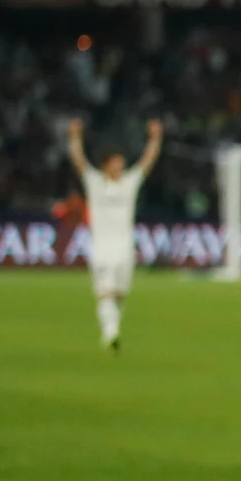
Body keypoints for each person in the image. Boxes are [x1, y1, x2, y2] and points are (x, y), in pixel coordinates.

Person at [67, 117, 162, 352]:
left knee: (118, 295)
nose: (119, 169)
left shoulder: (129, 183)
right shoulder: (95, 183)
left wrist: (155, 139)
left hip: (124, 248)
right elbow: (79, 161)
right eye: (115, 165)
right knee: (106, 292)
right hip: (101, 247)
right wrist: (75, 137)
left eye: (121, 165)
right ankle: (110, 333)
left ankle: (112, 329)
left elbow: (147, 162)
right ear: (106, 166)